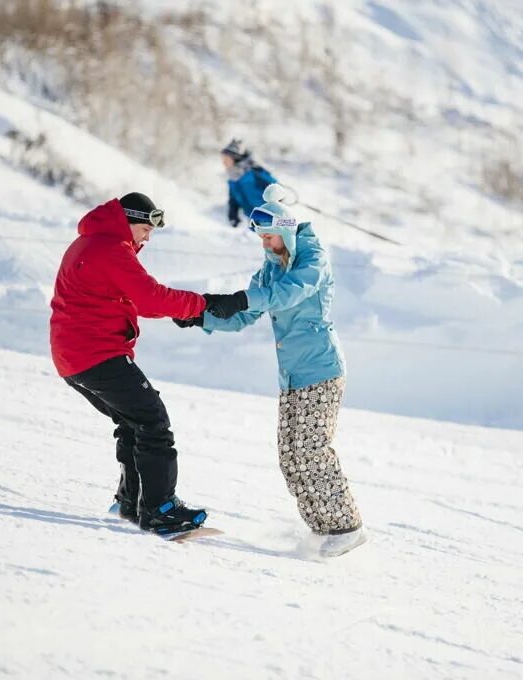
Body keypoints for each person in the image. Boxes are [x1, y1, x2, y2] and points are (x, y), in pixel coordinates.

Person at [175, 184, 365, 557]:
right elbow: (243, 316)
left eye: (269, 237)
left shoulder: (313, 260)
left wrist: (240, 298)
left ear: (286, 231)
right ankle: (324, 528)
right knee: (291, 454)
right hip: (293, 374)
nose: (264, 244)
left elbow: (288, 293)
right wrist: (202, 316)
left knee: (312, 448)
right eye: (261, 238)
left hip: (321, 368)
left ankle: (347, 526)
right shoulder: (270, 268)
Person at [49, 192, 211, 538]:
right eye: (145, 230)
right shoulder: (111, 249)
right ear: (129, 222)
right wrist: (203, 305)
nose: (147, 238)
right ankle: (161, 510)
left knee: (132, 420)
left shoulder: (89, 242)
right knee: (152, 421)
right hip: (96, 353)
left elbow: (139, 301)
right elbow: (151, 297)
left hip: (73, 357)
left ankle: (131, 502)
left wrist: (181, 310)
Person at [221, 138, 278, 229]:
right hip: (254, 220)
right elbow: (233, 200)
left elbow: (275, 187)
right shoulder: (232, 179)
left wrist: (277, 206)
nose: (223, 162)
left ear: (235, 158)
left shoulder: (254, 172)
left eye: (226, 159)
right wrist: (233, 214)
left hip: (271, 218)